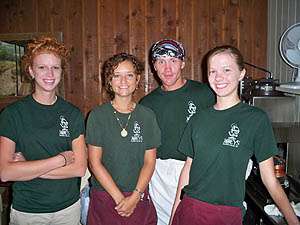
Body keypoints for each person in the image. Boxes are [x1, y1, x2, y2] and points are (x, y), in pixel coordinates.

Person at [170, 45, 300, 225]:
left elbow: (270, 179)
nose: (218, 77)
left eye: (226, 70)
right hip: (191, 209)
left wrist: (292, 220)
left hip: (227, 213)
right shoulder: (198, 119)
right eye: (212, 71)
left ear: (241, 73)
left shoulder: (255, 119)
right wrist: (175, 213)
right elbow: (188, 169)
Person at [0, 36, 87, 225]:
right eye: (42, 67)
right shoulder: (12, 114)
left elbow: (79, 168)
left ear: (61, 72)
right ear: (31, 71)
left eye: (55, 67)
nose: (50, 73)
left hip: (68, 209)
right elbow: (5, 172)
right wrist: (60, 160)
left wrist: (26, 168)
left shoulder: (72, 114)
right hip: (28, 212)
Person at [139, 39, 215, 225]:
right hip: (161, 177)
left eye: (173, 60)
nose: (167, 68)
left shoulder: (205, 93)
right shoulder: (147, 104)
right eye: (161, 61)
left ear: (182, 63)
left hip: (199, 172)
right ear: (154, 66)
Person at [86, 53, 161, 225]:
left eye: (129, 75)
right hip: (105, 195)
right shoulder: (97, 116)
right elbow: (95, 163)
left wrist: (135, 197)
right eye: (116, 76)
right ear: (109, 81)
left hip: (137, 194)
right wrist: (120, 199)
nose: (123, 81)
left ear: (137, 79)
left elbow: (149, 162)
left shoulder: (147, 116)